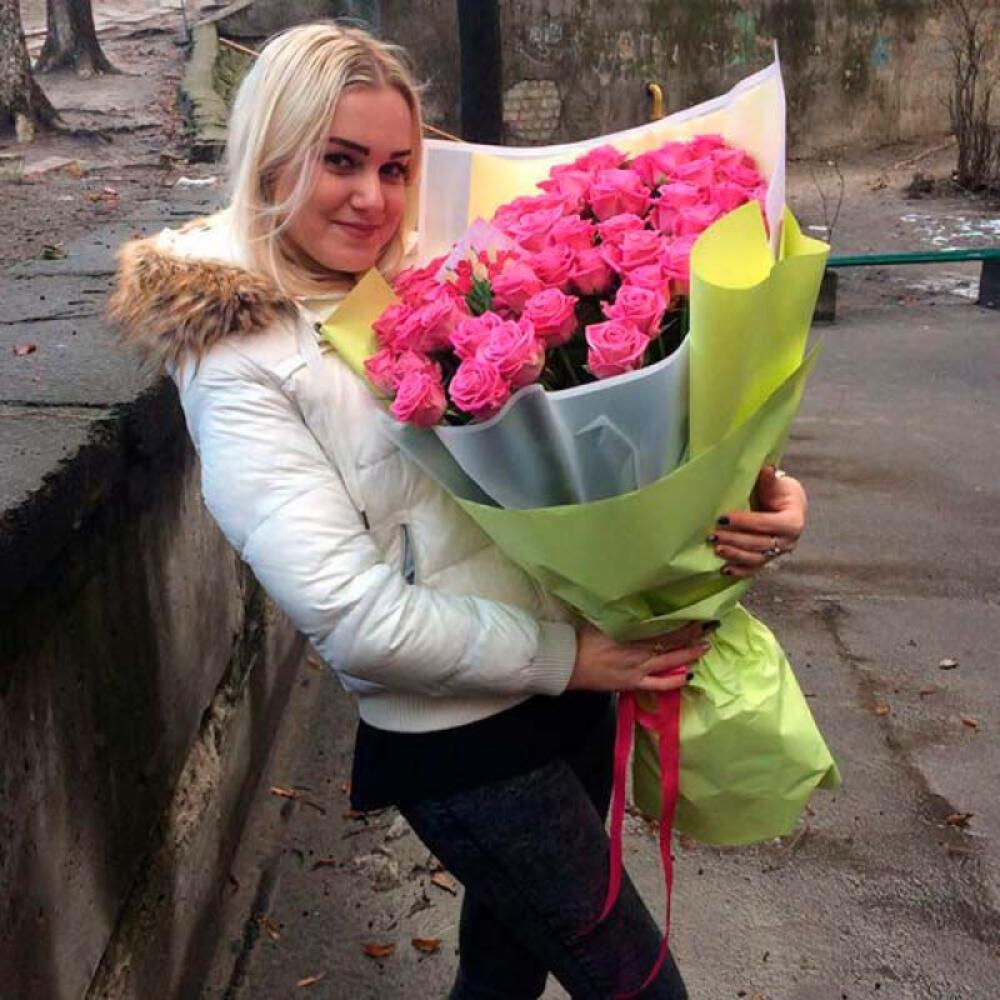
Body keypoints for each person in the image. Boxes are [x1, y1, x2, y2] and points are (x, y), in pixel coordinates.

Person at [110, 22, 807, 1000]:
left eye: (396, 167)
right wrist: (570, 659)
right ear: (270, 154)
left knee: (502, 974)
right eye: (339, 160)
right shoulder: (238, 356)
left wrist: (762, 491)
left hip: (573, 686)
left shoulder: (431, 267)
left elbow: (597, 440)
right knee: (643, 986)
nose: (373, 196)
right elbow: (350, 613)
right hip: (464, 735)